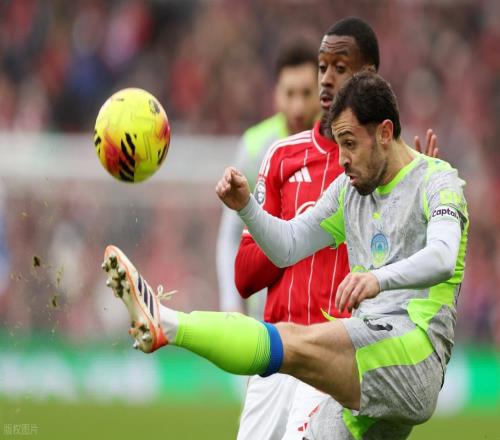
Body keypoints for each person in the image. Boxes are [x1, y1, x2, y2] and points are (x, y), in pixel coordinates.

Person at [102, 71, 468, 439]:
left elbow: (443, 256)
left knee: (292, 341)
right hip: (370, 367)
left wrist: (376, 279)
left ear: (385, 133)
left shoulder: (438, 181)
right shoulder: (349, 191)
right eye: (339, 145)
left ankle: (167, 323)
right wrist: (247, 207)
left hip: (413, 356)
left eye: (349, 144)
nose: (342, 159)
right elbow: (288, 245)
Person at [233, 17, 438, 440]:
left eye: (339, 69)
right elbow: (245, 276)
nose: (325, 79)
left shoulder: (388, 169)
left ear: (369, 77)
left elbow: (413, 276)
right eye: (322, 67)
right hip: (278, 349)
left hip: (336, 354)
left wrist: (416, 206)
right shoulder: (283, 156)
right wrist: (293, 233)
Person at [216, 41, 320, 316]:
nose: (298, 106)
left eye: (306, 93)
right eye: (290, 93)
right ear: (276, 95)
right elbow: (231, 234)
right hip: (265, 315)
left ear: (322, 93)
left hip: (321, 313)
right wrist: (231, 303)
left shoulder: (338, 144)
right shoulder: (254, 147)